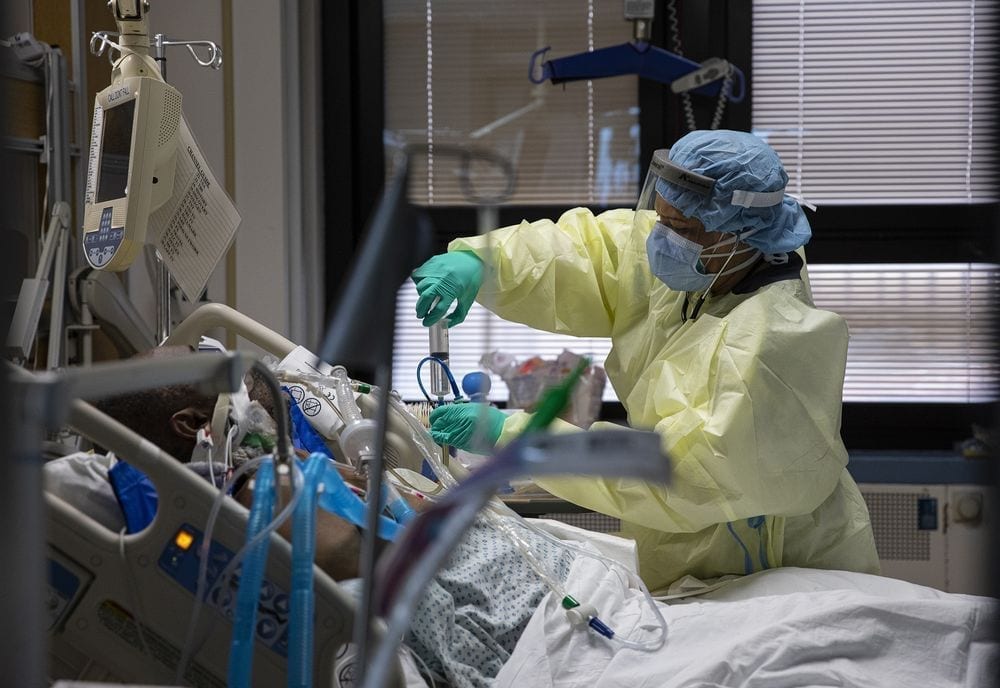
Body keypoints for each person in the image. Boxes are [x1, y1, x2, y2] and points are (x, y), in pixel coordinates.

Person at [411, 129, 880, 591]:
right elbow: (594, 252)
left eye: (681, 229)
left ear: (737, 234)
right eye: (662, 219)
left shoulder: (773, 340)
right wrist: (485, 264)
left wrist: (515, 437)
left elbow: (678, 469)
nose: (660, 238)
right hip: (683, 542)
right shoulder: (712, 257)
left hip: (765, 560)